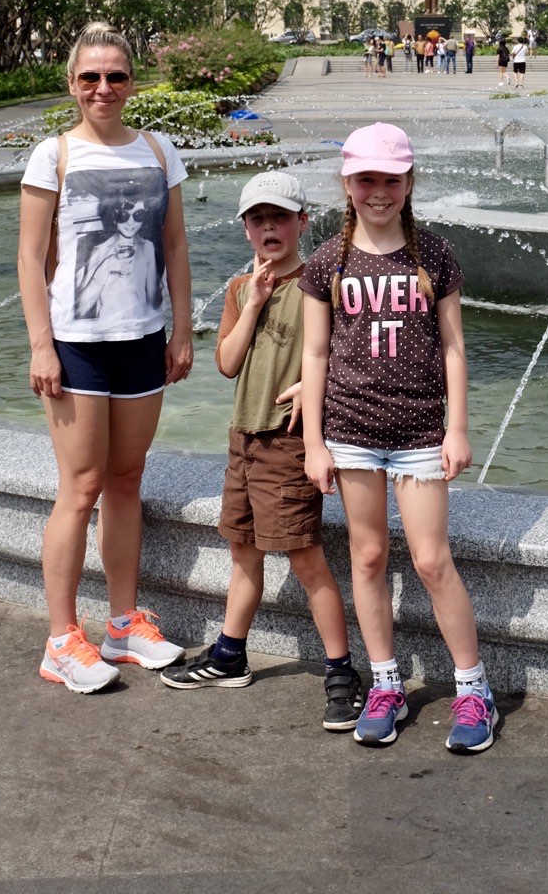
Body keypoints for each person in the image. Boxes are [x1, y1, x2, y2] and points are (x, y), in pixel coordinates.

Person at [300, 124, 497, 754]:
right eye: (366, 180)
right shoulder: (327, 260)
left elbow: (454, 348)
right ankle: (383, 682)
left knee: (432, 561)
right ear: (348, 184)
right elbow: (314, 354)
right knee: (367, 557)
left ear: (409, 183)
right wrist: (313, 443)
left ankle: (473, 688)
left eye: (390, 179)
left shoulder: (433, 255)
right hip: (351, 431)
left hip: (418, 432)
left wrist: (457, 428)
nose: (378, 192)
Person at [18, 21, 192, 694]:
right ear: (72, 84)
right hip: (77, 346)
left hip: (143, 339)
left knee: (126, 481)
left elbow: (175, 247)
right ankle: (62, 638)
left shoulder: (158, 149)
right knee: (80, 486)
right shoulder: (54, 155)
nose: (103, 88)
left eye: (115, 76)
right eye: (90, 77)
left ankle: (122, 623)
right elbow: (31, 260)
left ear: (132, 82)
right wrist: (42, 345)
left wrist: (181, 330)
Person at [160, 171, 363, 730]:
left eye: (280, 217)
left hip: (290, 441)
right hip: (244, 437)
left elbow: (351, 351)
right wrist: (252, 303)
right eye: (257, 219)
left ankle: (342, 670)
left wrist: (312, 386)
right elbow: (226, 363)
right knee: (243, 550)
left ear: (302, 222)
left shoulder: (324, 283)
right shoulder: (237, 288)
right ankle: (230, 654)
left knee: (303, 557)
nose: (268, 227)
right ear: (246, 228)